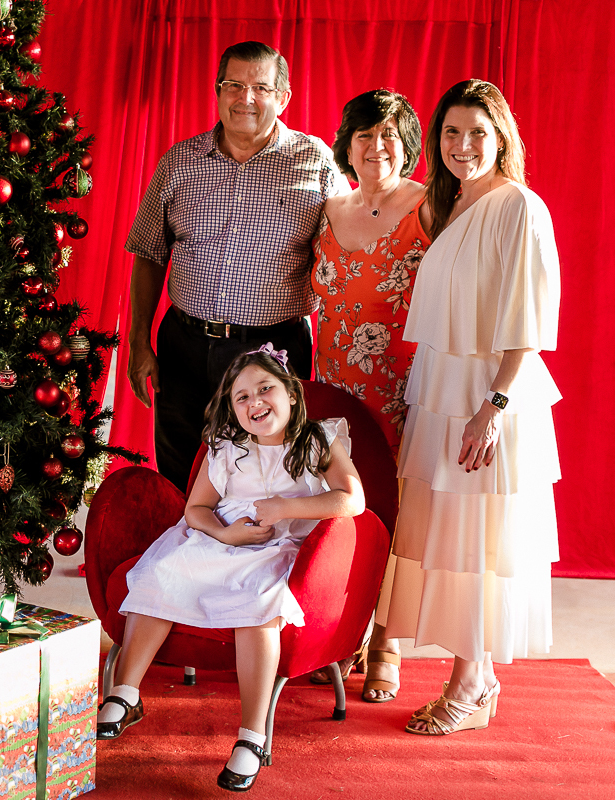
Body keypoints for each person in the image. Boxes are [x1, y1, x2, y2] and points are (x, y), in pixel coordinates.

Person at [373, 79, 561, 735]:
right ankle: (474, 677)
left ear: (502, 136)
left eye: (477, 131)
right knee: (453, 541)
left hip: (487, 397)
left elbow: (528, 320)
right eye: (451, 132)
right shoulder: (451, 207)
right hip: (443, 391)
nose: (462, 145)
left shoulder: (518, 207)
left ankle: (472, 684)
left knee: (480, 544)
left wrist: (495, 406)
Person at [97, 344, 364, 792]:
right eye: (242, 397)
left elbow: (352, 499)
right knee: (162, 576)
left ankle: (252, 737)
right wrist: (225, 534)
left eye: (265, 389)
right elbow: (196, 509)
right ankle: (126, 691)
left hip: (274, 546)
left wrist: (284, 506)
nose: (255, 402)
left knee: (257, 604)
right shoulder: (226, 447)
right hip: (219, 539)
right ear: (233, 410)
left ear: (291, 394)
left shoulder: (317, 440)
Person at [125, 40, 350, 493]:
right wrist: (137, 342)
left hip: (273, 353)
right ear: (217, 89)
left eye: (260, 88)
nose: (245, 98)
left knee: (262, 480)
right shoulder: (181, 162)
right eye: (234, 85)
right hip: (184, 346)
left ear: (282, 97)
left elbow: (348, 253)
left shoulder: (317, 163)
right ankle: (184, 562)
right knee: (180, 474)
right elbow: (149, 252)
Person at [309, 89, 431, 702]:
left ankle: (386, 644)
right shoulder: (328, 209)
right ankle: (342, 635)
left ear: (407, 143)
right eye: (364, 134)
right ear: (346, 144)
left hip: (402, 394)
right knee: (341, 514)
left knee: (396, 518)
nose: (376, 145)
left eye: (388, 133)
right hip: (333, 391)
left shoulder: (428, 208)